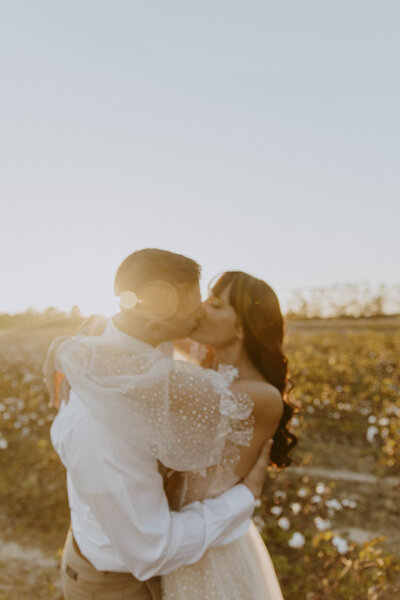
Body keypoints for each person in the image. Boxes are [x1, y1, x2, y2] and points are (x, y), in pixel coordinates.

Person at [44, 249, 273, 600]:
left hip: (133, 546)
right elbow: (151, 549)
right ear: (155, 324)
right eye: (196, 309)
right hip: (120, 578)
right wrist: (246, 497)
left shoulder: (158, 356)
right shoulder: (105, 422)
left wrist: (69, 347)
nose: (198, 316)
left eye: (210, 303)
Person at [160, 270, 297, 599]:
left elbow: (145, 373)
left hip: (210, 554)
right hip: (177, 540)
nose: (202, 308)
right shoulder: (207, 374)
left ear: (242, 326)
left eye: (216, 304)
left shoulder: (261, 395)